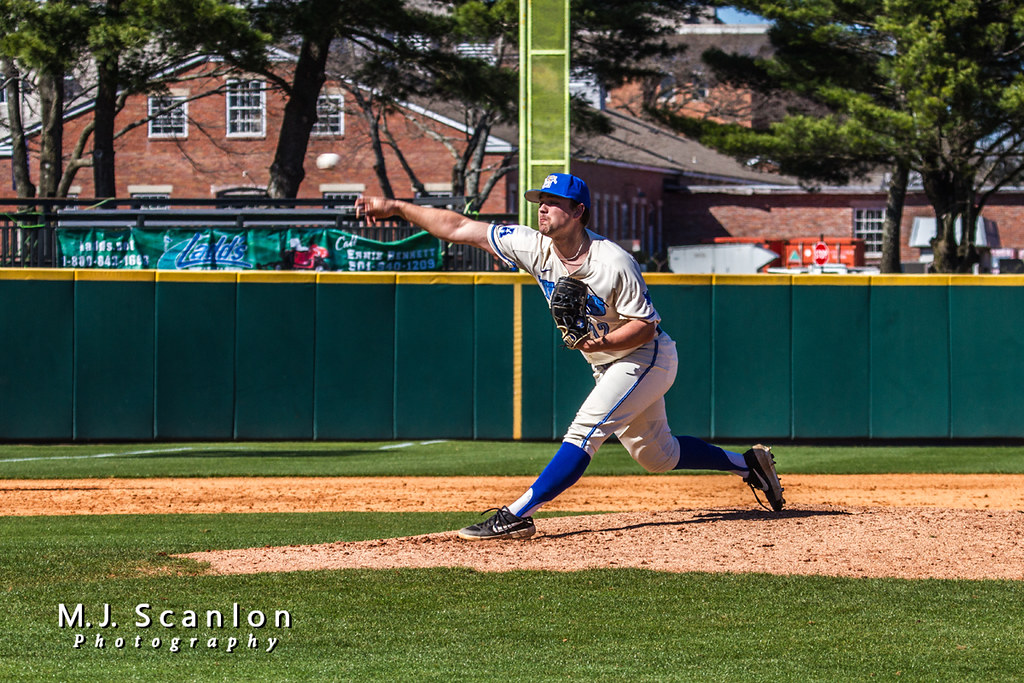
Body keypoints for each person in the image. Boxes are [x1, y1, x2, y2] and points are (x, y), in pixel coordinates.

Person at [354, 173, 784, 541]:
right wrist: (397, 206)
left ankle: (517, 516)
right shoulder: (531, 245)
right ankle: (747, 464)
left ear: (578, 211)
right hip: (608, 365)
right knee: (659, 456)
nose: (542, 210)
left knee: (586, 428)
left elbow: (646, 325)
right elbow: (457, 227)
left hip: (646, 357)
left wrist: (601, 344)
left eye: (553, 204)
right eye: (540, 203)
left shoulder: (614, 261)